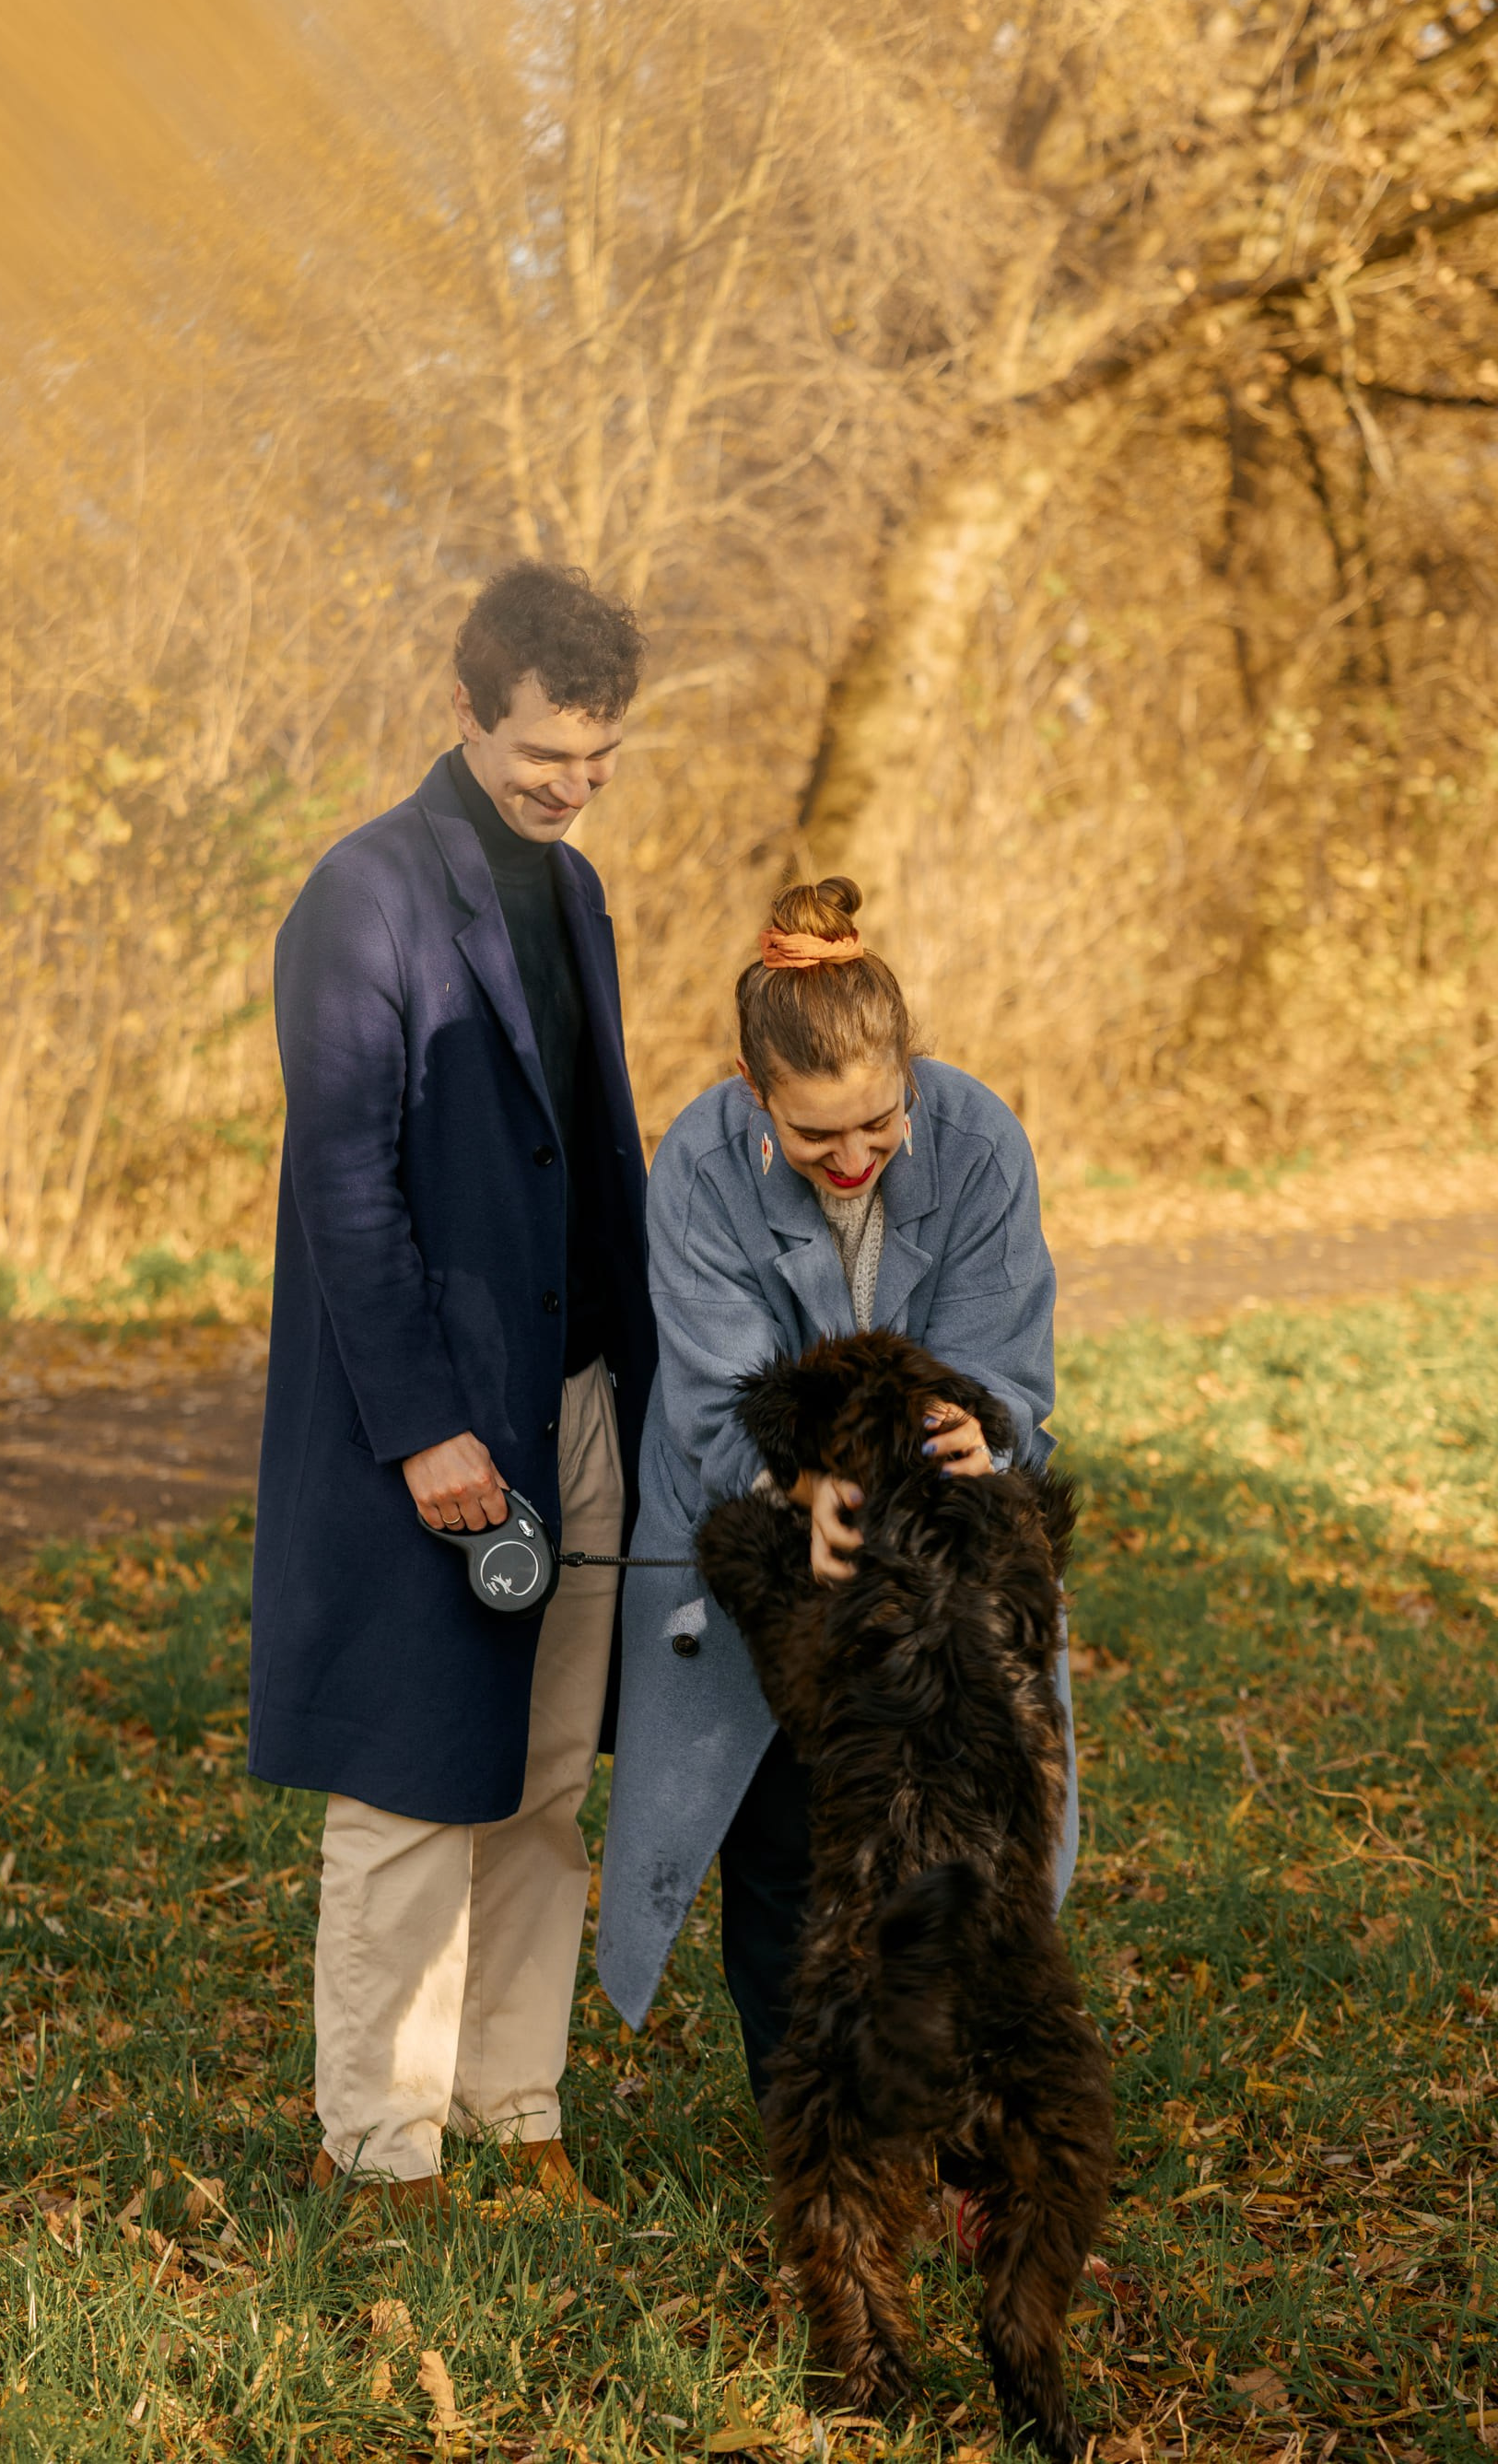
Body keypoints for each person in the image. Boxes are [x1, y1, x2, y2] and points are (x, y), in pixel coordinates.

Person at [248, 561, 657, 2210]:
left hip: (577, 1400)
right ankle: (380, 2143)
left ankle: (514, 2111)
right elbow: (350, 1187)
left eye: (597, 759)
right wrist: (425, 1429)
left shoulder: (575, 890)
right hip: (433, 1420)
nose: (569, 786)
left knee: (549, 1786)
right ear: (463, 708)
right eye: (541, 754)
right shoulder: (362, 898)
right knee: (416, 1784)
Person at [595, 874, 1077, 2104]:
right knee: (783, 1839)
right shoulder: (698, 1164)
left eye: (880, 1122)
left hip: (942, 1533)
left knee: (960, 1833)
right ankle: (807, 2113)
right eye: (817, 1138)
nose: (855, 1156)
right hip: (755, 1521)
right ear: (758, 1100)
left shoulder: (981, 1141)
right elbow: (715, 1393)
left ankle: (949, 2106)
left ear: (909, 1071)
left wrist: (988, 1428)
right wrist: (796, 1488)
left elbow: (1006, 1357)